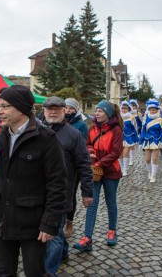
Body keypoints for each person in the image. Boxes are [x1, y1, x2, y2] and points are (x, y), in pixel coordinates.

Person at [0, 85, 67, 276]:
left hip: (33, 224)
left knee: (34, 272)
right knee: (4, 272)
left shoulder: (46, 138)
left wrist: (50, 222)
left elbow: (58, 184)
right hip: (3, 218)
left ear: (21, 108)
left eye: (5, 106)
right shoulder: (2, 134)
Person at [42, 97, 93, 276]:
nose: (53, 112)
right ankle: (63, 253)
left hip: (62, 193)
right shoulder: (37, 131)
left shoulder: (74, 135)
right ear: (44, 110)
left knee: (53, 233)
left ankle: (49, 272)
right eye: (49, 109)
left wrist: (87, 192)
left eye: (57, 109)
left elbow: (84, 165)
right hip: (39, 192)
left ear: (65, 111)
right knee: (53, 230)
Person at [73, 101, 123, 251]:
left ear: (108, 114)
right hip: (95, 172)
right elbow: (87, 144)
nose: (97, 113)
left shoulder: (116, 130)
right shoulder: (92, 128)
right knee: (91, 203)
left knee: (111, 202)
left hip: (111, 171)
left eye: (100, 111)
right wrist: (92, 155)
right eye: (97, 111)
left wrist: (99, 163)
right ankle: (87, 238)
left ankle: (112, 232)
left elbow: (116, 152)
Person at [63, 97, 89, 239]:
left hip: (73, 166)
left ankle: (69, 222)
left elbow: (82, 147)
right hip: (60, 165)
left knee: (70, 194)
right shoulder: (60, 122)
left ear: (76, 109)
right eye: (66, 108)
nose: (68, 110)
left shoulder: (81, 125)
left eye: (71, 108)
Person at [139, 99, 162, 183]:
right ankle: (150, 172)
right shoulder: (146, 119)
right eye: (150, 110)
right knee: (147, 159)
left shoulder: (161, 120)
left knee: (154, 159)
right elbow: (143, 131)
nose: (152, 111)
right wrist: (141, 142)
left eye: (154, 110)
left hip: (156, 141)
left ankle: (153, 176)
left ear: (157, 110)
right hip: (147, 141)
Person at [119, 101, 139, 176]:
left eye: (125, 109)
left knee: (125, 153)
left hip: (128, 137)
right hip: (120, 137)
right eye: (122, 109)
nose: (124, 110)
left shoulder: (132, 118)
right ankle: (121, 168)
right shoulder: (118, 117)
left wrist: (135, 138)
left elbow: (135, 128)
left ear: (128, 109)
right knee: (120, 155)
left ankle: (125, 170)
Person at [129, 99, 142, 166]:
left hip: (136, 131)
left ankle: (131, 159)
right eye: (132, 106)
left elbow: (141, 123)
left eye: (134, 106)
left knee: (132, 145)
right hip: (128, 131)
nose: (133, 107)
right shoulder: (127, 114)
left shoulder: (138, 114)